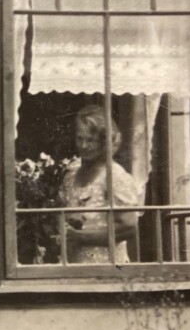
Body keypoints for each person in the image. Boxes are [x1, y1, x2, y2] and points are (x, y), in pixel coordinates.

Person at [59, 104, 139, 264]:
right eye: (79, 138)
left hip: (109, 266)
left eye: (90, 140)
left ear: (104, 142)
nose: (83, 146)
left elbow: (129, 228)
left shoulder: (114, 176)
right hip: (74, 264)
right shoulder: (71, 175)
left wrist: (82, 237)